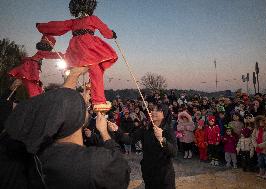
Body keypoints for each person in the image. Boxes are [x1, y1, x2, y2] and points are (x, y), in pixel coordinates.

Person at [0, 88, 130, 189]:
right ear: (73, 120)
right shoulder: (94, 163)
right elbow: (122, 170)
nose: (87, 108)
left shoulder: (38, 155)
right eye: (83, 108)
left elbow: (60, 104)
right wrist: (105, 134)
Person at [36, 0, 117, 112]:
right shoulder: (93, 19)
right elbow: (105, 31)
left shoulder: (73, 22)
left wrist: (42, 26)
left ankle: (63, 98)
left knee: (74, 74)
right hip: (89, 46)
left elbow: (58, 26)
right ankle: (98, 101)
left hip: (75, 49)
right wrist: (112, 34)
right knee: (96, 70)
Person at [108, 103, 178, 189]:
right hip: (148, 171)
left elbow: (174, 152)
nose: (153, 112)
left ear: (164, 114)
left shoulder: (168, 130)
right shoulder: (146, 128)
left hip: (164, 174)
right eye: (153, 110)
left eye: (157, 110)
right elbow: (130, 139)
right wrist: (116, 129)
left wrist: (162, 139)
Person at [252, 115, 266, 179]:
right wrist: (255, 144)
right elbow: (253, 137)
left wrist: (260, 145)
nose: (260, 123)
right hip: (258, 149)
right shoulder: (256, 129)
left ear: (265, 122)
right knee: (260, 160)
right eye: (259, 121)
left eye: (262, 121)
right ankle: (261, 171)